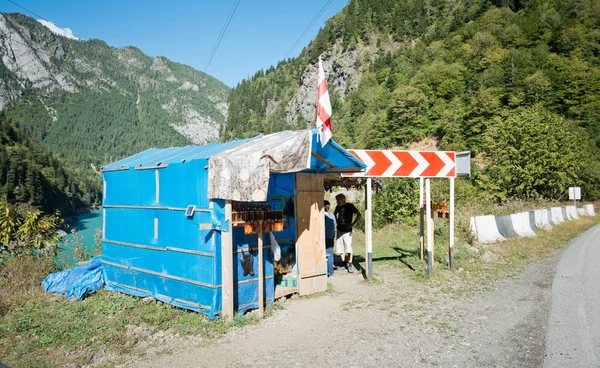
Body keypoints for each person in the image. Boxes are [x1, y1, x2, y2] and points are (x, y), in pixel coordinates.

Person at [334, 193, 361, 273]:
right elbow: (335, 214)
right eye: (336, 200)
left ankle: (350, 263)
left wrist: (352, 224)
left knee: (348, 247)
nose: (337, 202)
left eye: (338, 200)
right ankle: (343, 263)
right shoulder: (338, 207)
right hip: (339, 229)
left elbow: (358, 215)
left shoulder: (350, 206)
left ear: (343, 199)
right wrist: (336, 222)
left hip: (347, 230)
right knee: (340, 247)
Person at [324, 200, 336, 278]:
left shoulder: (321, 216)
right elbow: (334, 226)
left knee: (322, 255)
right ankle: (330, 273)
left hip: (323, 238)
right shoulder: (332, 216)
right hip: (331, 237)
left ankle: (323, 272)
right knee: (330, 255)